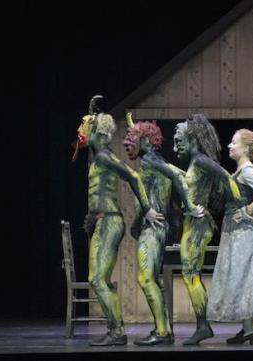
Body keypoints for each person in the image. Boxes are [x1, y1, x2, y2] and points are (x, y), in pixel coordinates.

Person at [72, 95, 164, 346]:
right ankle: (115, 328)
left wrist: (146, 208)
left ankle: (117, 331)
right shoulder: (97, 157)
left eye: (86, 126)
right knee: (100, 279)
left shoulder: (103, 156)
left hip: (110, 223)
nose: (81, 131)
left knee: (97, 279)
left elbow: (134, 177)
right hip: (103, 222)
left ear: (99, 133)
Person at [122, 114, 204, 346]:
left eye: (133, 138)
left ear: (147, 141)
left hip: (154, 226)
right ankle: (163, 329)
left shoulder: (150, 160)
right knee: (151, 279)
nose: (127, 143)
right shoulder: (151, 159)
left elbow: (178, 175)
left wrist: (188, 207)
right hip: (153, 225)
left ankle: (162, 331)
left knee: (146, 278)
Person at [172, 113, 246, 345]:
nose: (176, 146)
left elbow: (226, 177)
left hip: (200, 224)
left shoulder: (202, 160)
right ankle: (202, 325)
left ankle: (203, 326)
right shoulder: (195, 163)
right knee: (189, 273)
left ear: (193, 138)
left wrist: (239, 207)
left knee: (190, 273)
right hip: (191, 222)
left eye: (179, 140)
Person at [207, 129, 253, 345]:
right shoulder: (240, 171)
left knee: (243, 276)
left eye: (233, 142)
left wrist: (248, 211)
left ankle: (249, 330)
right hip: (238, 231)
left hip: (247, 231)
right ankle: (248, 330)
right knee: (241, 277)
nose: (229, 146)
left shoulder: (248, 170)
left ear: (245, 148)